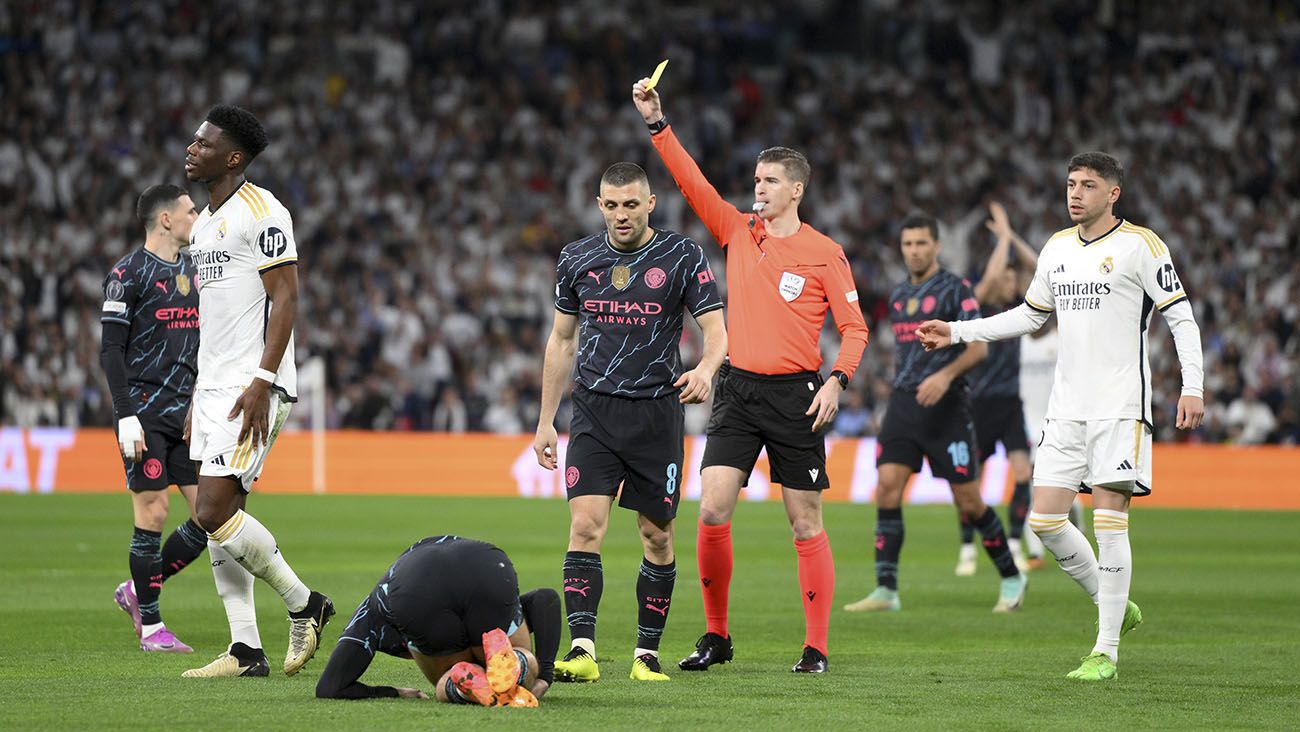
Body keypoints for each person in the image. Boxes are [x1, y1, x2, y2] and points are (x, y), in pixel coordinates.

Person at [918, 151, 1205, 680]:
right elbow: (1029, 316)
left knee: (1109, 523)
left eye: (1088, 185)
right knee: (1045, 519)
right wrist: (958, 330)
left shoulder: (1141, 246)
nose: (1075, 193)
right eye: (1071, 184)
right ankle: (1113, 600)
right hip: (1066, 409)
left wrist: (1193, 386)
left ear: (1112, 194)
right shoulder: (1056, 248)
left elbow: (1181, 318)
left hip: (1120, 407)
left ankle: (1107, 650)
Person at [633, 78, 871, 674]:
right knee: (712, 508)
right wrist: (658, 124)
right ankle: (717, 637)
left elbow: (856, 329)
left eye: (768, 181)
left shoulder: (825, 252)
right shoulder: (739, 231)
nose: (757, 188)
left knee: (804, 519)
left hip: (798, 395)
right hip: (738, 388)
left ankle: (815, 647)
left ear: (795, 190)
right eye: (756, 179)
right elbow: (692, 183)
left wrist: (838, 381)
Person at [533, 162, 726, 683]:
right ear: (600, 205)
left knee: (656, 537)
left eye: (631, 205)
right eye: (611, 205)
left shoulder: (681, 255)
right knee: (585, 526)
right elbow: (562, 341)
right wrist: (545, 420)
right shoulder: (577, 258)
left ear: (650, 204)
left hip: (656, 412)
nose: (621, 214)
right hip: (594, 409)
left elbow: (716, 327)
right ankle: (582, 649)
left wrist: (706, 369)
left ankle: (646, 653)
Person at [180, 104, 334, 678]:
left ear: (234, 157)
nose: (192, 149)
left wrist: (262, 381)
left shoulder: (263, 211)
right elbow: (213, 316)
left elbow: (286, 298)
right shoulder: (202, 224)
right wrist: (199, 392)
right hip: (216, 386)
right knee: (225, 515)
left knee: (213, 509)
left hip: (255, 386)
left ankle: (306, 604)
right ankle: (245, 649)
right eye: (194, 141)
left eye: (204, 143)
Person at [843, 213, 1027, 615]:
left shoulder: (956, 288)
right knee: (887, 487)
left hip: (948, 406)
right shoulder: (896, 296)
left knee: (969, 502)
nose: (914, 250)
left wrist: (944, 376)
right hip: (904, 404)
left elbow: (978, 348)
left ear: (936, 246)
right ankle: (886, 589)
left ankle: (1012, 576)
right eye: (908, 244)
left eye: (921, 243)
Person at [101, 184, 208, 653]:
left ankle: (137, 590)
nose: (196, 215)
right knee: (155, 512)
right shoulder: (127, 274)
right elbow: (111, 351)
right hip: (143, 415)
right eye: (190, 210)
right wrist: (125, 415)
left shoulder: (195, 268)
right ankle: (152, 630)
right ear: (166, 219)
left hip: (187, 414)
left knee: (211, 515)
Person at [315, 536, 560, 707]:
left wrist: (396, 692)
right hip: (483, 564)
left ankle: (458, 685)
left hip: (414, 590)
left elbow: (330, 688)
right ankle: (517, 662)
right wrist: (543, 677)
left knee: (448, 677)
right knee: (517, 653)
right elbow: (545, 599)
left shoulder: (374, 607)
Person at [954, 202, 1039, 576]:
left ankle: (1017, 542)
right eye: (1007, 278)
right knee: (969, 482)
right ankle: (968, 549)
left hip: (1009, 404)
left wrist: (1011, 236)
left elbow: (1037, 268)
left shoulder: (1021, 307)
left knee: (1023, 474)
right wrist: (1001, 240)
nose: (1011, 281)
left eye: (1011, 278)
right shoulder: (982, 308)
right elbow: (988, 281)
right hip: (977, 404)